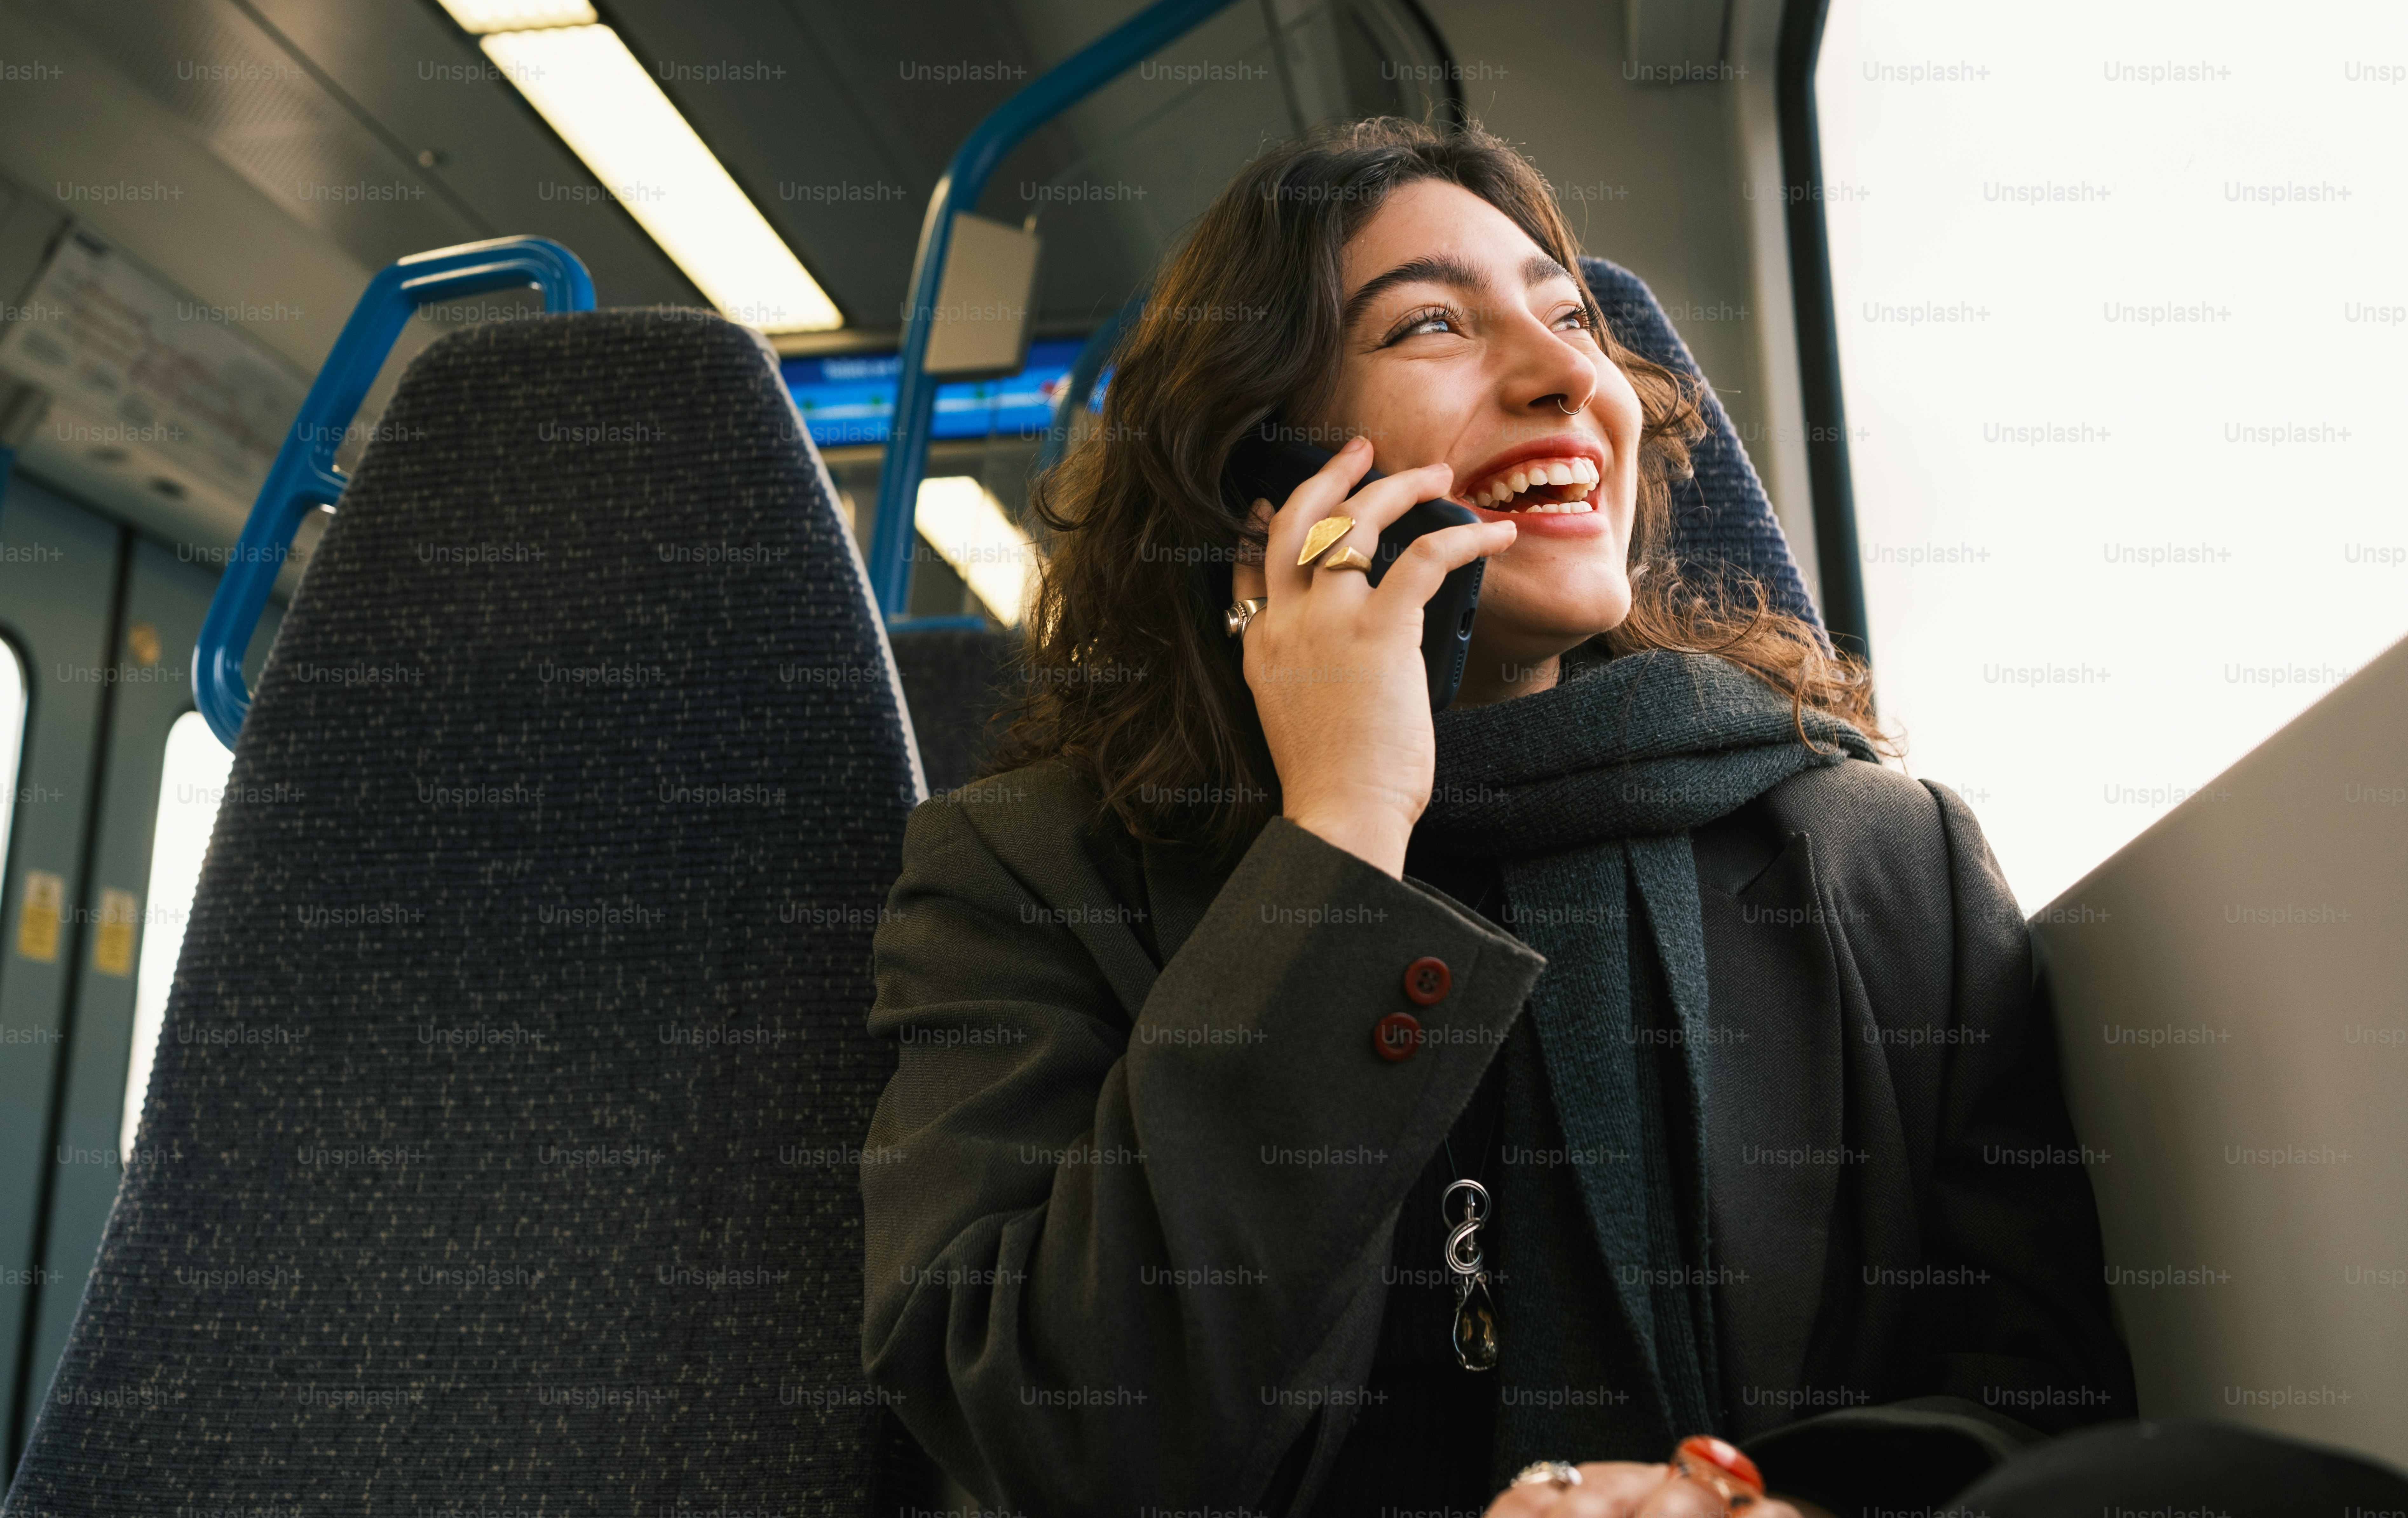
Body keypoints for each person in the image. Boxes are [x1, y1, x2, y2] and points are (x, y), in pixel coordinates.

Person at [859, 117, 2133, 1518]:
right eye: (1427, 325)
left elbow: (2047, 1407)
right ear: (1260, 472)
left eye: (1568, 315)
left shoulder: (1886, 861)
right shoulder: (1026, 880)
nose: (1564, 375)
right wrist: (1339, 834)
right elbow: (1060, 1448)